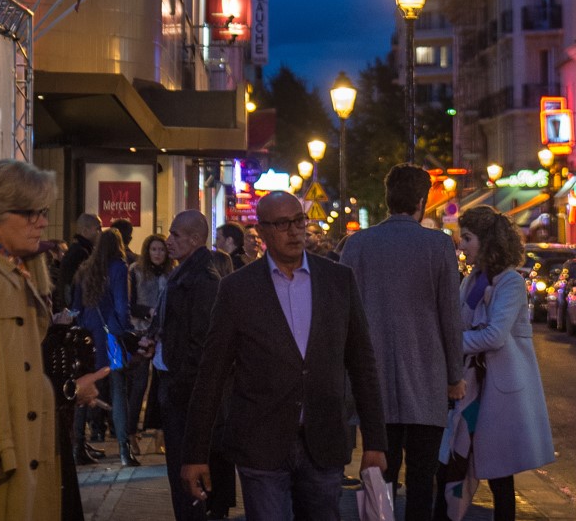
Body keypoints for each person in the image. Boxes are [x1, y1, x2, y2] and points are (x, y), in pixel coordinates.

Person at [180, 191, 388, 521]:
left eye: (298, 221)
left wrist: (375, 441)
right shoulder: (238, 289)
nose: (294, 231)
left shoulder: (337, 280)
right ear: (261, 231)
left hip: (322, 441)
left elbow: (362, 363)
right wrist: (195, 453)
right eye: (281, 224)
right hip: (260, 443)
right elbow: (212, 372)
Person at [0, 158, 108, 521]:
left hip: (16, 461)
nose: (41, 221)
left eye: (41, 210)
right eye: (29, 212)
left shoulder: (8, 272)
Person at [340, 165, 464, 521]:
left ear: (387, 198)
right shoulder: (438, 245)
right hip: (427, 378)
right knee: (423, 478)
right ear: (422, 201)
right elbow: (449, 317)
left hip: (373, 382)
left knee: (380, 475)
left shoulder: (358, 244)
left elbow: (344, 314)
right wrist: (454, 376)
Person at [439, 207, 554, 521]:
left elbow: (494, 336)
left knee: (499, 475)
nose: (462, 245)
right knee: (456, 461)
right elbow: (461, 323)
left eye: (467, 238)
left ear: (487, 240)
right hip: (473, 386)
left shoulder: (511, 283)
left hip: (500, 390)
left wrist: (449, 345)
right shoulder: (473, 279)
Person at [142, 211, 222, 521]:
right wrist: (153, 340)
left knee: (187, 470)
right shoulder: (184, 273)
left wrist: (179, 379)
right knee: (180, 468)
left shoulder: (202, 280)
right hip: (173, 382)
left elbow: (200, 341)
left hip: (184, 389)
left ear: (194, 239)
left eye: (175, 235)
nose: (168, 240)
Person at [72, 228, 136, 468]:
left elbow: (76, 307)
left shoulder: (84, 269)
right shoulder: (119, 267)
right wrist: (126, 330)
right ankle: (123, 449)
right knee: (119, 389)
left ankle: (78, 445)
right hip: (111, 334)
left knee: (83, 387)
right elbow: (121, 305)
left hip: (88, 334)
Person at [127, 234, 173, 451]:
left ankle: (160, 435)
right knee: (139, 385)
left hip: (163, 335)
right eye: (154, 249)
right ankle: (131, 433)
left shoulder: (171, 274)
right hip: (142, 333)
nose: (158, 254)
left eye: (161, 250)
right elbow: (131, 304)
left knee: (160, 386)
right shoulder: (136, 271)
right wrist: (149, 312)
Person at [57, 213, 100, 312]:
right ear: (85, 230)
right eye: (98, 228)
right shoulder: (81, 252)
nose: (100, 232)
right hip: (77, 309)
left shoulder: (76, 249)